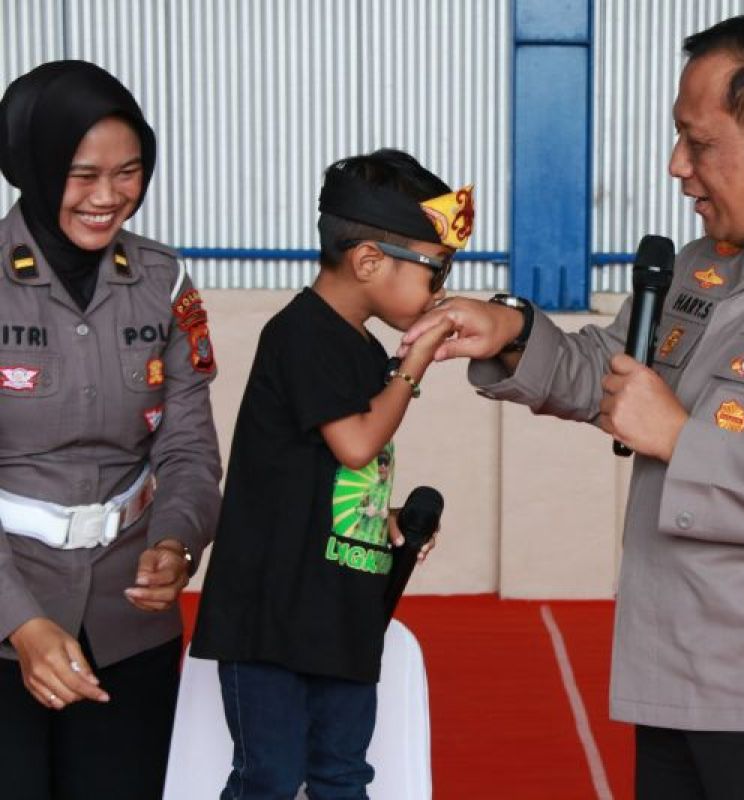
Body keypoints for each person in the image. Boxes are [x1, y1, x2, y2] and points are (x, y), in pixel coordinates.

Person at [405, 13, 744, 798]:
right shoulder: (713, 260)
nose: (678, 166)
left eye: (698, 142)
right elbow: (620, 372)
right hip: (682, 682)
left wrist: (679, 437)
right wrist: (510, 330)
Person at [189, 148, 467, 798]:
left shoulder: (360, 346)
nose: (441, 293)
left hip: (339, 608)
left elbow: (335, 474)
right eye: (436, 271)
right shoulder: (301, 334)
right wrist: (415, 363)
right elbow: (356, 444)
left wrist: (385, 518)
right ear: (368, 260)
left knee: (343, 775)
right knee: (270, 777)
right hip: (273, 616)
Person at [0, 61, 222, 799]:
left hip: (128, 626)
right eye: (82, 174)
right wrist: (22, 626)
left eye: (128, 172)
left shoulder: (162, 281)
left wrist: (177, 541)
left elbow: (189, 444)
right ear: (30, 163)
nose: (108, 197)